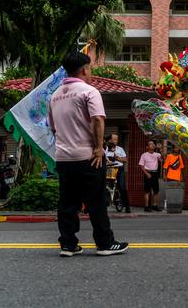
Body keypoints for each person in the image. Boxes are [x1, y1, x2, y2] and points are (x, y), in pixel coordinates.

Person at [48, 51, 128, 257]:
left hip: (63, 158)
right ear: (84, 69)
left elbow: (54, 128)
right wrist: (97, 148)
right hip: (88, 157)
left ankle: (68, 244)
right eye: (90, 68)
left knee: (67, 202)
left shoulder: (54, 96)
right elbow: (98, 120)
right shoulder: (89, 91)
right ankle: (104, 243)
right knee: (96, 201)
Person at [105, 133, 130, 213]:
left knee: (122, 187)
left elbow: (125, 160)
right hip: (109, 169)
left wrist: (117, 158)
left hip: (119, 169)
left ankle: (127, 206)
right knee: (105, 187)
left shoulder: (120, 149)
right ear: (110, 140)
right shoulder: (105, 149)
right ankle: (105, 204)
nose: (116, 141)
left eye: (117, 139)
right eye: (115, 139)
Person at [140, 140, 163, 212]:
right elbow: (141, 166)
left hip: (155, 173)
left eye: (153, 144)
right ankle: (146, 207)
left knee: (156, 191)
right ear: (147, 147)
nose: (152, 145)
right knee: (147, 191)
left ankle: (155, 205)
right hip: (147, 173)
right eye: (150, 144)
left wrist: (161, 149)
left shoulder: (157, 154)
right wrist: (146, 173)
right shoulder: (144, 155)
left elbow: (163, 159)